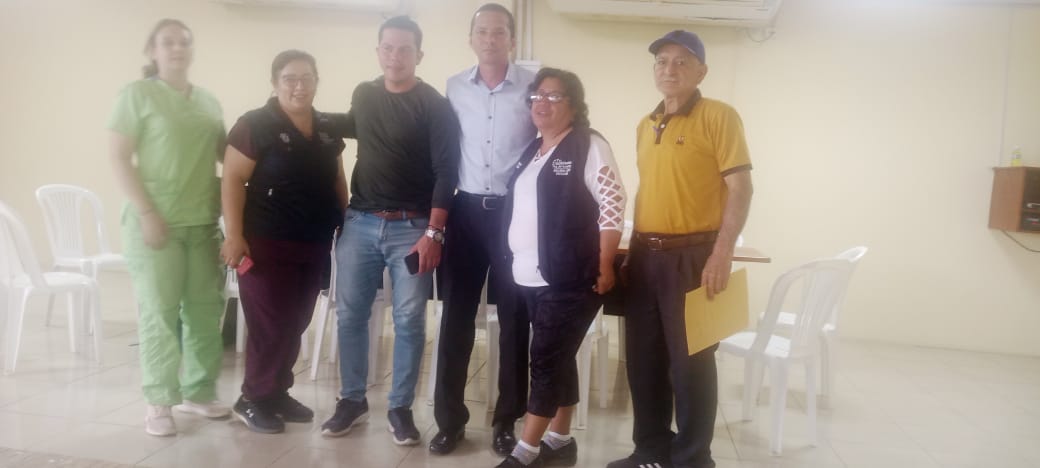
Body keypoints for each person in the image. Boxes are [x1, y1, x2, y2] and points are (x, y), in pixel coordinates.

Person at [608, 30, 753, 468]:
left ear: (701, 72)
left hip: (694, 257)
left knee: (691, 363)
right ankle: (651, 449)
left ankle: (692, 458)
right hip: (645, 257)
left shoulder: (719, 116)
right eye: (662, 61)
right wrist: (632, 250)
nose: (669, 69)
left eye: (681, 62)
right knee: (643, 359)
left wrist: (722, 252)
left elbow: (741, 188)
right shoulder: (645, 124)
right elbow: (649, 189)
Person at [320, 16, 460, 446]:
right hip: (360, 224)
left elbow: (446, 171)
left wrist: (433, 232)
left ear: (419, 55)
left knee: (409, 320)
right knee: (350, 315)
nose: (395, 56)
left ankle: (400, 408)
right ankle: (352, 399)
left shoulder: (434, 105)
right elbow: (351, 126)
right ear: (378, 51)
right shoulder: (364, 94)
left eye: (404, 49)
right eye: (388, 48)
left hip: (412, 228)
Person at [495, 68, 626, 468]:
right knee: (560, 356)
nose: (543, 103)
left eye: (554, 96)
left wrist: (605, 261)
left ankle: (526, 451)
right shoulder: (533, 149)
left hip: (570, 276)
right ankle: (559, 440)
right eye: (538, 95)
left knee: (546, 360)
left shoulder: (588, 144)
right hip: (529, 275)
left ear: (574, 105)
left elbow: (613, 203)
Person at [108, 18, 229, 437]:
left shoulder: (208, 102)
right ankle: (159, 400)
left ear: (192, 51)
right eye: (168, 42)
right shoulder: (136, 95)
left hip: (202, 223)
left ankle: (199, 391)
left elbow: (227, 155)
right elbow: (118, 158)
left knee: (205, 310)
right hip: (156, 225)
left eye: (184, 42)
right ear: (152, 51)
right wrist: (147, 213)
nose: (177, 48)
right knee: (159, 314)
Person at [220, 50, 350, 434]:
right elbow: (232, 179)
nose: (299, 86)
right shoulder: (254, 124)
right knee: (270, 323)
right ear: (275, 83)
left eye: (307, 78)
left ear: (316, 82)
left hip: (313, 241)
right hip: (265, 242)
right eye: (290, 78)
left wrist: (346, 221)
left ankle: (276, 392)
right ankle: (252, 398)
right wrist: (234, 235)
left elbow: (337, 178)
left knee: (297, 320)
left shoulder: (326, 127)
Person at [429, 3, 537, 456]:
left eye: (499, 32)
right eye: (482, 32)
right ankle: (450, 422)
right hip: (466, 212)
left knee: (514, 320)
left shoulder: (534, 85)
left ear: (512, 39)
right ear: (471, 39)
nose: (490, 40)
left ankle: (506, 421)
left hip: (514, 214)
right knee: (456, 318)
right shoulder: (454, 86)